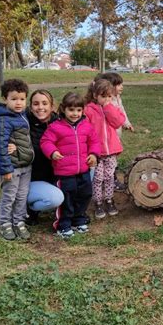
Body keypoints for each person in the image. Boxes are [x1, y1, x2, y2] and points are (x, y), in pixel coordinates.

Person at [40, 92, 100, 239]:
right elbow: (45, 142)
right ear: (63, 109)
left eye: (78, 110)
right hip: (64, 172)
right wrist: (52, 152)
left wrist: (93, 154)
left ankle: (78, 219)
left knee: (85, 194)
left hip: (83, 170)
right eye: (71, 110)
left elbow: (94, 142)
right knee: (67, 197)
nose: (75, 113)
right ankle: (63, 224)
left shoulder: (86, 126)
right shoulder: (55, 127)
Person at [0, 79, 34, 240]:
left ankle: (19, 221)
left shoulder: (22, 115)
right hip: (12, 167)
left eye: (22, 99)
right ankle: (5, 223)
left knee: (22, 196)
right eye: (14, 99)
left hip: (26, 166)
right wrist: (5, 169)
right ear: (5, 99)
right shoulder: (3, 119)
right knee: (9, 196)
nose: (18, 103)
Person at [84, 79, 126, 219]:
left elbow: (118, 122)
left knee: (109, 176)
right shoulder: (89, 110)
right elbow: (86, 131)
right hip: (97, 152)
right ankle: (98, 201)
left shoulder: (112, 108)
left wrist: (108, 108)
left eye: (110, 96)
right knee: (98, 178)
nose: (107, 99)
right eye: (104, 96)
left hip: (111, 150)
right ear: (95, 95)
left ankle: (109, 199)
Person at [22, 90, 64, 225]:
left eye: (45, 103)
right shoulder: (22, 124)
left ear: (52, 106)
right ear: (30, 106)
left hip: (54, 177)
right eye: (36, 104)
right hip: (29, 180)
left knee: (88, 170)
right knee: (55, 198)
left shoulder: (61, 124)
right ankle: (27, 209)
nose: (40, 107)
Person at [88, 72, 133, 191]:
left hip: (113, 137)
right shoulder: (100, 105)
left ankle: (112, 180)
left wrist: (126, 123)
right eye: (118, 84)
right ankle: (102, 183)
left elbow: (121, 113)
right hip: (101, 139)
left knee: (111, 162)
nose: (121, 87)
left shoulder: (116, 99)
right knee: (101, 166)